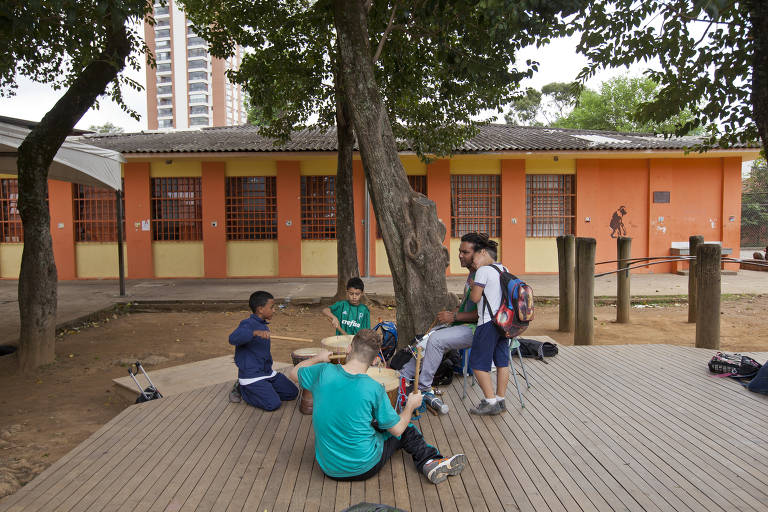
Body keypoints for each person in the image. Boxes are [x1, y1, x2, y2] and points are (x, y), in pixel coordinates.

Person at [288, 329, 466, 484]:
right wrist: (410, 406)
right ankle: (430, 461)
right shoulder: (373, 388)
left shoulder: (323, 372)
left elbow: (293, 373)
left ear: (349, 348)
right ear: (374, 361)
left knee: (368, 419)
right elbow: (397, 430)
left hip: (328, 467)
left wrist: (318, 358)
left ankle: (430, 461)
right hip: (363, 467)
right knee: (406, 428)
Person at [399, 232, 486, 413]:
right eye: (460, 251)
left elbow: (482, 315)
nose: (460, 255)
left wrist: (454, 318)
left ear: (478, 254)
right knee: (427, 337)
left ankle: (423, 387)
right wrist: (455, 311)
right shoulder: (472, 274)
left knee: (436, 340)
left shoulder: (483, 275)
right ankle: (403, 376)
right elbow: (469, 306)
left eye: (465, 252)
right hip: (465, 324)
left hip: (479, 329)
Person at [227, 291, 299, 410]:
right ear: (260, 309)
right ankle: (243, 389)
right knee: (273, 404)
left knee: (292, 393)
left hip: (267, 373)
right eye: (271, 307)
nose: (274, 310)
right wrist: (254, 333)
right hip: (251, 376)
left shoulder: (263, 324)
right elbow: (232, 338)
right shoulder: (247, 324)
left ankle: (264, 388)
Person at [468, 240, 510, 415]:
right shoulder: (504, 269)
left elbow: (475, 298)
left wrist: (472, 287)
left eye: (475, 256)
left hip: (487, 323)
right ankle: (500, 400)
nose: (473, 261)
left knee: (477, 364)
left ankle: (490, 401)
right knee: (502, 362)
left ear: (483, 252)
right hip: (503, 323)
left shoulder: (483, 271)